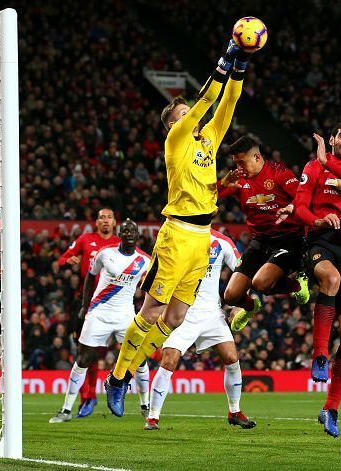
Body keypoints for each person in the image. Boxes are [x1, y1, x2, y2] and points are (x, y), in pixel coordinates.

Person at [104, 38, 257, 417]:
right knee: (153, 310)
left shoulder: (206, 141)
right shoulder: (176, 140)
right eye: (186, 113)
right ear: (174, 123)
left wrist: (239, 70)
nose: (195, 116)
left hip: (202, 238)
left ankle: (124, 374)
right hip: (176, 234)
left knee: (173, 319)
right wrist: (223, 62)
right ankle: (119, 377)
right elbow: (207, 102)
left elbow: (227, 104)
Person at [276, 122, 341, 438]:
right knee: (329, 278)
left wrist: (326, 161)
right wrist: (317, 219)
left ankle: (330, 408)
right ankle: (319, 354)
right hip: (321, 239)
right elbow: (300, 207)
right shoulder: (312, 168)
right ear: (332, 140)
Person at [144, 229, 255, 430]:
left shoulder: (222, 241)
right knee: (169, 360)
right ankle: (152, 418)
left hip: (212, 314)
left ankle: (235, 411)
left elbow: (244, 272)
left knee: (232, 358)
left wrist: (240, 302)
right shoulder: (179, 237)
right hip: (181, 311)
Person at [50, 219, 151, 423]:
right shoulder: (105, 253)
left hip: (125, 316)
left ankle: (146, 406)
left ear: (138, 236)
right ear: (119, 234)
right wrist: (85, 305)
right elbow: (90, 277)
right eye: (125, 231)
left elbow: (152, 288)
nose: (129, 233)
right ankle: (66, 410)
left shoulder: (145, 261)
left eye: (133, 231)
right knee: (84, 358)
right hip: (99, 313)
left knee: (139, 359)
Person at [217, 135, 309, 332]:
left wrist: (291, 208)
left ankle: (297, 285)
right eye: (236, 163)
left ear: (257, 158)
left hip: (289, 239)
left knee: (260, 283)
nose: (239, 168)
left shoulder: (279, 173)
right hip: (259, 241)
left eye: (242, 162)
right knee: (231, 296)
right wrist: (224, 183)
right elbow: (210, 198)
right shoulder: (238, 179)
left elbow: (303, 199)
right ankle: (251, 307)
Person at [57, 207, 119, 417]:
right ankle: (88, 397)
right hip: (85, 303)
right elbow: (62, 259)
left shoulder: (120, 244)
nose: (105, 221)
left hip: (112, 306)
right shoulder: (85, 239)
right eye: (101, 217)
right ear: (96, 222)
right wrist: (70, 260)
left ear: (114, 222)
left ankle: (133, 398)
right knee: (84, 353)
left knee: (99, 353)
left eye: (108, 218)